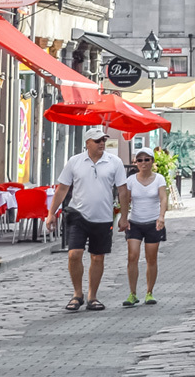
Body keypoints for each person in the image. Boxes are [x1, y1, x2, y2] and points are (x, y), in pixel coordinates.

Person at [46, 128, 129, 312]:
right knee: (74, 254)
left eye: (103, 140)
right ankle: (77, 294)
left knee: (97, 257)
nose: (101, 144)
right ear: (87, 143)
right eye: (97, 140)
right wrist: (51, 212)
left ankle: (93, 296)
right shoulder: (75, 162)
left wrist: (124, 216)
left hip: (104, 216)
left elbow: (122, 190)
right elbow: (62, 189)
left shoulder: (114, 162)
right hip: (78, 215)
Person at [121, 147, 167, 307]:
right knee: (132, 256)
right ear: (136, 162)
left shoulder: (159, 179)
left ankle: (149, 292)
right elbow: (125, 200)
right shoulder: (131, 180)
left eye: (147, 159)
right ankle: (132, 293)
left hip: (153, 222)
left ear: (152, 161)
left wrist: (161, 217)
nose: (143, 163)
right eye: (140, 160)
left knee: (151, 258)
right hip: (135, 222)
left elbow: (163, 198)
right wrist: (124, 218)